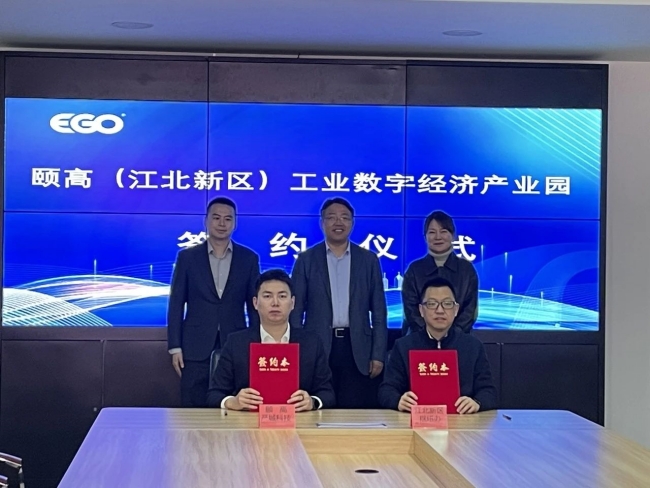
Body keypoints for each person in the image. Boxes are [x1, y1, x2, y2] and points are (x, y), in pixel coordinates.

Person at [290, 197, 387, 408]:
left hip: (357, 347)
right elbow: (295, 311)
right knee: (317, 407)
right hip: (317, 345)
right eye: (332, 217)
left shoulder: (368, 260)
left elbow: (379, 313)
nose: (338, 222)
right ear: (322, 223)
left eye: (344, 217)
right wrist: (297, 351)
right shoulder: (306, 260)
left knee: (353, 410)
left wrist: (378, 354)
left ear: (352, 223)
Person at [168, 197, 260, 407]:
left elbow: (254, 306)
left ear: (235, 223)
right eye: (216, 218)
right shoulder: (187, 257)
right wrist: (175, 346)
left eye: (228, 219)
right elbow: (176, 303)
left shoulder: (248, 258)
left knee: (234, 404)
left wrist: (256, 344)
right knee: (193, 406)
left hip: (235, 342)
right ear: (206, 221)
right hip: (194, 345)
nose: (222, 223)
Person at [207, 269, 335, 411]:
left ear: (292, 303)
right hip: (248, 421)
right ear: (255, 303)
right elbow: (214, 394)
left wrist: (312, 402)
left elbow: (327, 393)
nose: (275, 303)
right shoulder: (236, 343)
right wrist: (232, 402)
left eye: (282, 296)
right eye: (267, 296)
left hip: (299, 421)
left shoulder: (311, 343)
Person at [380, 277, 497, 414]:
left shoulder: (473, 346)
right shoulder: (404, 346)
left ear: (456, 309)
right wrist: (398, 400)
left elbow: (489, 392)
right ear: (421, 310)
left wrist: (477, 402)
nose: (440, 310)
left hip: (461, 422)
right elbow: (386, 390)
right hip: (416, 421)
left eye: (447, 304)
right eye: (432, 304)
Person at [402, 210, 479, 335]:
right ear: (425, 237)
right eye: (432, 232)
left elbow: (469, 310)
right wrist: (430, 335)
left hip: (459, 339)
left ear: (453, 235)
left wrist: (450, 336)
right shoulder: (414, 270)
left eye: (443, 231)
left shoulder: (466, 270)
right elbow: (411, 310)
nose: (438, 237)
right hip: (419, 338)